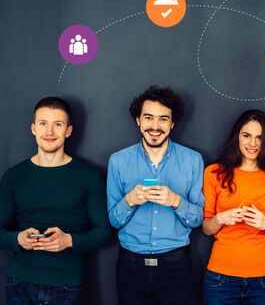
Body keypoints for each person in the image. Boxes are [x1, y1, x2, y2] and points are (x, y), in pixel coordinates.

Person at [0, 97, 111, 305]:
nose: (49, 132)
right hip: (19, 282)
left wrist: (69, 240)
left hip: (66, 285)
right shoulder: (13, 176)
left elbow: (104, 232)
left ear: (68, 130)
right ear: (33, 128)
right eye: (43, 124)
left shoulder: (88, 176)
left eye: (57, 124)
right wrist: (17, 239)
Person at [107, 86, 204, 305]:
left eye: (163, 119)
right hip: (130, 267)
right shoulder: (118, 161)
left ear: (172, 123)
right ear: (138, 121)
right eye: (148, 118)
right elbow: (113, 220)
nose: (155, 126)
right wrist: (130, 201)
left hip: (176, 268)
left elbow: (198, 218)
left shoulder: (193, 160)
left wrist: (176, 201)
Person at [202, 109, 265, 305]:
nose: (252, 144)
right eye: (246, 135)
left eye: (259, 138)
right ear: (237, 136)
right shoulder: (213, 173)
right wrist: (221, 218)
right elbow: (206, 228)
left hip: (264, 280)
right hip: (220, 279)